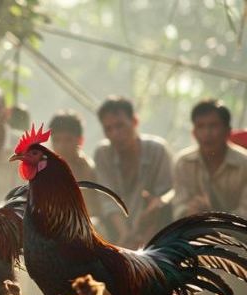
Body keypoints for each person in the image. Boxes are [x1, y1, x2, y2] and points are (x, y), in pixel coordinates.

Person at [93, 96, 173, 247]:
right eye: (108, 129)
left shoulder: (157, 150)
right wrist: (125, 235)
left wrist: (158, 203)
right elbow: (107, 200)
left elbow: (166, 193)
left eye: (120, 126)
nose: (115, 134)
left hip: (154, 229)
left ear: (135, 122)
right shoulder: (103, 153)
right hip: (115, 231)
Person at [173, 99, 247, 218]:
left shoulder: (244, 164)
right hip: (193, 231)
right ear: (194, 133)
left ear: (228, 131)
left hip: (236, 235)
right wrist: (190, 211)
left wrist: (212, 215)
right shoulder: (183, 162)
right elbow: (178, 207)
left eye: (214, 126)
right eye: (200, 126)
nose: (207, 133)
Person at [48, 110, 101, 219]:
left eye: (68, 140)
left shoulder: (88, 170)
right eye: (56, 140)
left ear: (80, 141)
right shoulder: (44, 168)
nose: (61, 146)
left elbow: (94, 211)